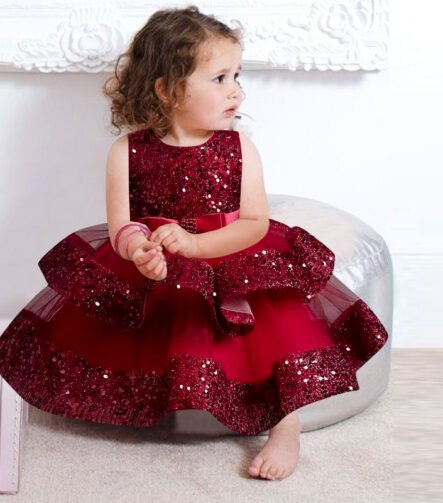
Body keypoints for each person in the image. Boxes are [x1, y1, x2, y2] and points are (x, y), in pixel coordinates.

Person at [0, 5, 388, 482]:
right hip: (162, 261)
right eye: (220, 78)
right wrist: (139, 251)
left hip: (230, 252)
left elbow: (254, 223)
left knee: (270, 321)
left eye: (237, 76)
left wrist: (197, 247)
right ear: (167, 90)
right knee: (136, 313)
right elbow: (121, 225)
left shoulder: (238, 147)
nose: (236, 90)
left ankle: (285, 426)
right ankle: (156, 396)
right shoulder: (127, 151)